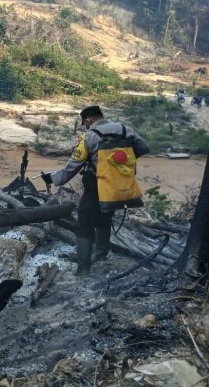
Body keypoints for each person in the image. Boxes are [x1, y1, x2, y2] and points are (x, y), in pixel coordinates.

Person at [40, 106, 149, 276]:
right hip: (117, 186)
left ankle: (83, 270)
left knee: (84, 224)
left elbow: (72, 166)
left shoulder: (90, 136)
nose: (85, 126)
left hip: (95, 186)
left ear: (88, 120)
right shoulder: (124, 129)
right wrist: (118, 162)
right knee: (104, 218)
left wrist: (53, 178)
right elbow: (143, 148)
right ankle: (100, 257)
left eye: (85, 123)